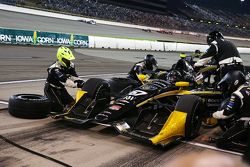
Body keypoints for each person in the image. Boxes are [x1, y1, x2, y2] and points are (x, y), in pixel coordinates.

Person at [212, 71, 250, 156]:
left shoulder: (237, 94)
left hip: (246, 123)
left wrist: (214, 114)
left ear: (235, 82)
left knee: (221, 142)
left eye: (229, 83)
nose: (228, 86)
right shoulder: (247, 88)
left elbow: (226, 113)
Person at [44, 46, 84, 113]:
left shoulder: (71, 65)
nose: (68, 61)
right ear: (60, 58)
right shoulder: (54, 69)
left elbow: (73, 76)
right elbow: (64, 80)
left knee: (73, 104)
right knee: (59, 108)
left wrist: (82, 82)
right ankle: (48, 101)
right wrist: (76, 85)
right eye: (66, 60)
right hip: (51, 88)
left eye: (69, 59)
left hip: (61, 88)